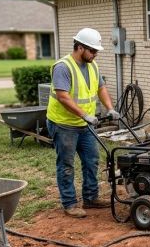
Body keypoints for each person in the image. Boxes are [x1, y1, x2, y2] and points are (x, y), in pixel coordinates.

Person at [47, 27, 119, 218]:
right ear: (79, 47)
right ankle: (69, 203)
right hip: (64, 124)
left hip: (84, 125)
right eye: (92, 51)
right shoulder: (63, 67)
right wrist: (84, 114)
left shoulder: (93, 65)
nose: (95, 54)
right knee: (67, 164)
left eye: (96, 51)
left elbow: (101, 88)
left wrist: (110, 108)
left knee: (92, 160)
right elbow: (63, 96)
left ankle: (90, 197)